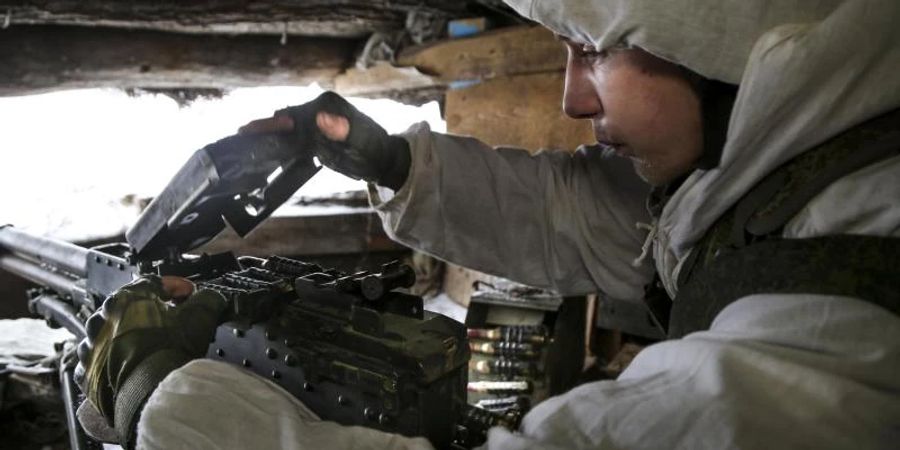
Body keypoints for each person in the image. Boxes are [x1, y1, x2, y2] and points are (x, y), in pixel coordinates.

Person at [75, 0, 900, 448]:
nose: (573, 98)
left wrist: (167, 400)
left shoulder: (829, 341)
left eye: (595, 50)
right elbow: (595, 218)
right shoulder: (806, 180)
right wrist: (389, 161)